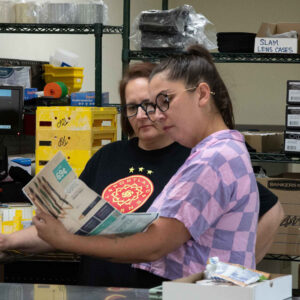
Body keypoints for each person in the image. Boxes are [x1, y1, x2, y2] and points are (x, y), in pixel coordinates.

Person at [0, 58, 282, 287]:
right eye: (135, 107)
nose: (154, 115)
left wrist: (236, 277)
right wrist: (10, 241)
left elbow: (154, 246)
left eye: (163, 102)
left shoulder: (209, 160)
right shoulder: (114, 156)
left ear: (202, 95)